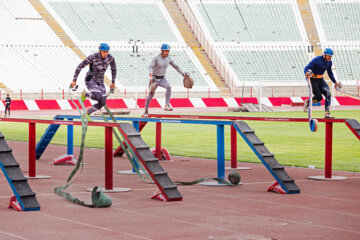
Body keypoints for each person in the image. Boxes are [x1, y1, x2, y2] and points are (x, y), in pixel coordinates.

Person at [70, 43, 116, 116]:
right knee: (98, 96)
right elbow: (80, 66)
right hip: (90, 79)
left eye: (107, 51)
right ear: (100, 51)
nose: (106, 53)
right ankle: (85, 94)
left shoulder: (110, 58)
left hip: (100, 81)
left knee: (103, 102)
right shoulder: (93, 57)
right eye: (104, 51)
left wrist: (113, 82)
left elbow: (114, 69)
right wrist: (74, 80)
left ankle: (87, 113)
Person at [144, 44, 189, 117]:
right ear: (162, 51)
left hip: (162, 78)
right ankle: (146, 110)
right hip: (154, 79)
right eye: (166, 51)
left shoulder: (169, 59)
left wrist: (183, 74)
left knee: (169, 86)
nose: (167, 52)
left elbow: (176, 67)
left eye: (168, 51)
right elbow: (150, 67)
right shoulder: (156, 58)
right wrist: (151, 77)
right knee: (151, 95)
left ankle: (166, 105)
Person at [303, 48, 341, 118]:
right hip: (312, 80)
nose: (330, 57)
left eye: (331, 56)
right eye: (328, 56)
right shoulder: (316, 60)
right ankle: (308, 102)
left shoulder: (329, 62)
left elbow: (330, 73)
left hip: (321, 80)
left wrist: (335, 82)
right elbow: (306, 67)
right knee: (318, 98)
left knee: (328, 93)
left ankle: (327, 113)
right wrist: (306, 72)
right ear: (324, 55)